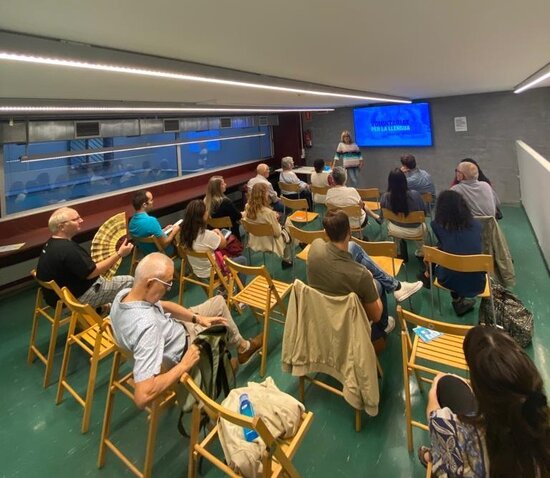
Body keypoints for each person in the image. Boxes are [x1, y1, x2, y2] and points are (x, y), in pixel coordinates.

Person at [110, 253, 263, 408]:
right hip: (185, 345)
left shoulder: (124, 295)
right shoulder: (147, 326)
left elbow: (163, 305)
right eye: (167, 284)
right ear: (149, 283)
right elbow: (142, 396)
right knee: (221, 326)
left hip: (175, 327)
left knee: (218, 302)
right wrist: (183, 365)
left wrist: (197, 318)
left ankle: (238, 351)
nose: (168, 289)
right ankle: (240, 351)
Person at [420, 325, 550, 477]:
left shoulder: (455, 432)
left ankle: (432, 456)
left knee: (445, 383)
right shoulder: (540, 425)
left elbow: (433, 412)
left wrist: (438, 381)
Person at [307, 210, 394, 349]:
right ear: (349, 232)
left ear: (326, 233)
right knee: (379, 284)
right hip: (347, 317)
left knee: (353, 247)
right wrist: (370, 280)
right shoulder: (361, 275)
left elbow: (331, 247)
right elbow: (376, 315)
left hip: (322, 310)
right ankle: (383, 327)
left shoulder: (315, 248)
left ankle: (393, 284)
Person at [36, 207, 134, 308]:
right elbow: (92, 273)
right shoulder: (68, 249)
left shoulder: (51, 243)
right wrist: (119, 254)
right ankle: (120, 311)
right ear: (62, 227)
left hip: (57, 297)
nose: (81, 220)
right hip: (75, 299)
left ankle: (105, 307)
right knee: (130, 281)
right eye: (75, 219)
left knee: (108, 282)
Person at [418, 190, 484, 316]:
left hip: (447, 279)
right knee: (453, 251)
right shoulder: (477, 225)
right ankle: (459, 301)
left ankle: (429, 277)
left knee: (438, 250)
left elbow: (445, 243)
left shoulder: (436, 225)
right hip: (477, 282)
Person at [180, 199, 247, 280]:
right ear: (202, 216)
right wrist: (218, 231)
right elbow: (223, 244)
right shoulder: (207, 234)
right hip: (213, 272)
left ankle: (224, 287)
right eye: (206, 210)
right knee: (242, 260)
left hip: (198, 272)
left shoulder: (185, 234)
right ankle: (241, 287)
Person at [243, 182, 293, 269]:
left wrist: (273, 216)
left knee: (286, 222)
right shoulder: (268, 213)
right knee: (287, 225)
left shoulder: (247, 206)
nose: (268, 194)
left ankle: (294, 249)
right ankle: (287, 259)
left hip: (255, 239)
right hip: (269, 241)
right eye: (267, 192)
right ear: (263, 195)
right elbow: (277, 233)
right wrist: (276, 220)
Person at [380, 168, 427, 257]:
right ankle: (420, 251)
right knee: (423, 226)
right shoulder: (415, 195)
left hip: (395, 230)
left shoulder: (385, 197)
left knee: (389, 223)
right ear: (405, 181)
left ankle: (397, 250)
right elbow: (424, 214)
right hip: (416, 231)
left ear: (390, 182)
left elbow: (382, 217)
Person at [325, 166, 381, 231]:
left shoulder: (329, 192)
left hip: (339, 223)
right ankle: (375, 216)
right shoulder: (352, 191)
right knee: (361, 204)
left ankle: (375, 216)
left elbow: (328, 207)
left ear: (333, 179)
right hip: (358, 223)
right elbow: (361, 206)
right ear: (345, 179)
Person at [128, 190, 180, 256]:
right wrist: (174, 232)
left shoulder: (131, 223)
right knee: (178, 235)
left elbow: (149, 234)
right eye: (151, 200)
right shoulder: (151, 221)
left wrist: (164, 230)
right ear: (144, 205)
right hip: (160, 253)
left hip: (147, 254)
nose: (153, 202)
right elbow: (165, 243)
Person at [204, 175, 242, 240]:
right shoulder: (225, 202)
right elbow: (238, 216)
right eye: (223, 183)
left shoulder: (205, 201)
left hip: (214, 235)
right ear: (217, 188)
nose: (225, 184)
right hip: (229, 234)